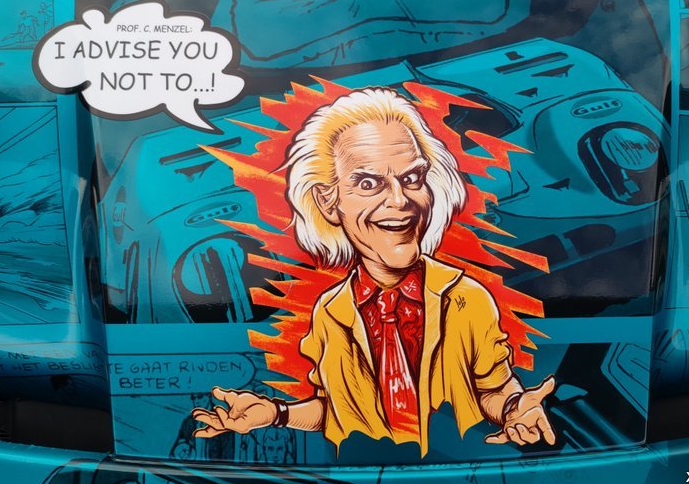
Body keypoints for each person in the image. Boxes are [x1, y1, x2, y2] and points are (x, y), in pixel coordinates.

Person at [193, 88, 556, 456]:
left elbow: (493, 389)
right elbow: (338, 411)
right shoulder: (330, 312)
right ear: (327, 201)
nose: (400, 200)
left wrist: (514, 409)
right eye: (369, 183)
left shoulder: (467, 299)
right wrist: (276, 413)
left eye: (412, 179)